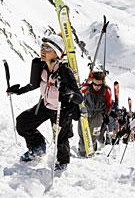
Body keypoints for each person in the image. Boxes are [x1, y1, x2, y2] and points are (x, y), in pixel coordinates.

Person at [6, 34, 82, 170]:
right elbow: (33, 84)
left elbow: (78, 97)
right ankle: (37, 148)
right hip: (45, 105)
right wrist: (18, 91)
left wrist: (69, 94)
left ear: (56, 52)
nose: (43, 50)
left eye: (48, 48)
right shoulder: (41, 66)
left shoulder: (64, 71)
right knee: (23, 122)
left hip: (61, 109)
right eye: (43, 47)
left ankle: (63, 163)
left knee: (60, 138)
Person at [78, 68, 112, 156]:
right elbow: (78, 94)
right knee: (83, 132)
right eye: (95, 84)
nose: (97, 87)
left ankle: (91, 149)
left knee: (94, 134)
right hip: (85, 112)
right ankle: (82, 151)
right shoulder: (87, 88)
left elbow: (109, 104)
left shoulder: (106, 91)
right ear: (92, 82)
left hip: (98, 114)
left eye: (99, 85)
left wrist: (106, 114)